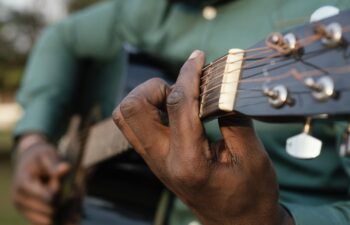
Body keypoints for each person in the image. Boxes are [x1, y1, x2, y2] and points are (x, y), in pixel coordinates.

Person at [12, 0, 350, 224]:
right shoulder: (151, 9)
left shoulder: (328, 20)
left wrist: (272, 221)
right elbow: (62, 38)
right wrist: (32, 140)